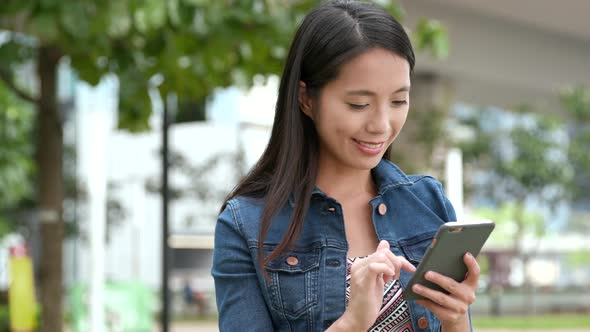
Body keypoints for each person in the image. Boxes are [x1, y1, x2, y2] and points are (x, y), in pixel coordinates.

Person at [211, 1, 480, 331]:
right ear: (306, 98)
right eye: (359, 104)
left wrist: (455, 320)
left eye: (398, 100)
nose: (381, 124)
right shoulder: (246, 225)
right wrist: (352, 323)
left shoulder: (428, 202)